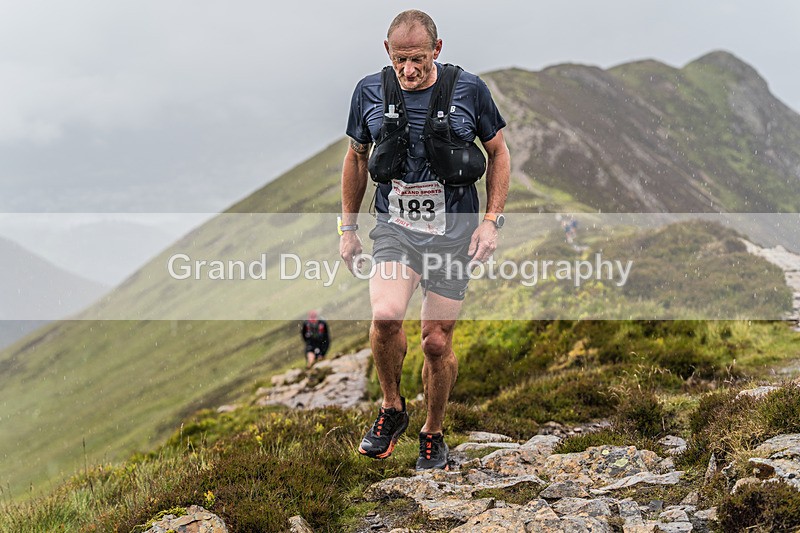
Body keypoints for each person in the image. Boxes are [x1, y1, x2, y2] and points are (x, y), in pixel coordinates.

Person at [339, 10, 510, 470]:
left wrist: (491, 220)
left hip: (454, 235)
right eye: (400, 60)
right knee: (386, 314)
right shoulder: (369, 92)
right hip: (395, 231)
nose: (409, 70)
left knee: (436, 341)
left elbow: (498, 152)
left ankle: (432, 433)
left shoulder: (469, 89)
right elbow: (356, 158)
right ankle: (392, 408)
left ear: (437, 50)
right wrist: (348, 229)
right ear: (387, 53)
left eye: (417, 59)